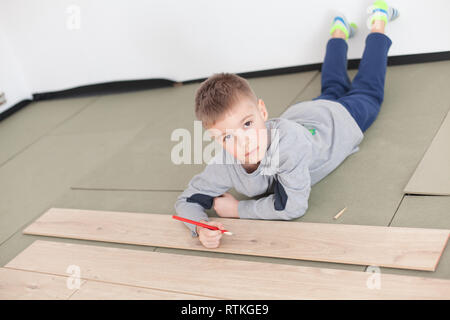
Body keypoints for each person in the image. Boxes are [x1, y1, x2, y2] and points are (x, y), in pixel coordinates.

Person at [174, 0, 399, 248]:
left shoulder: (288, 148)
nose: (243, 141)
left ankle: (378, 21)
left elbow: (292, 206)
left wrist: (239, 209)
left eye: (247, 124)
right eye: (227, 137)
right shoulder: (225, 163)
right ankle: (339, 30)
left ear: (262, 111)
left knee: (368, 90)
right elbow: (187, 201)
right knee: (333, 86)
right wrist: (201, 227)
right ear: (215, 138)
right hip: (306, 113)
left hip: (339, 120)